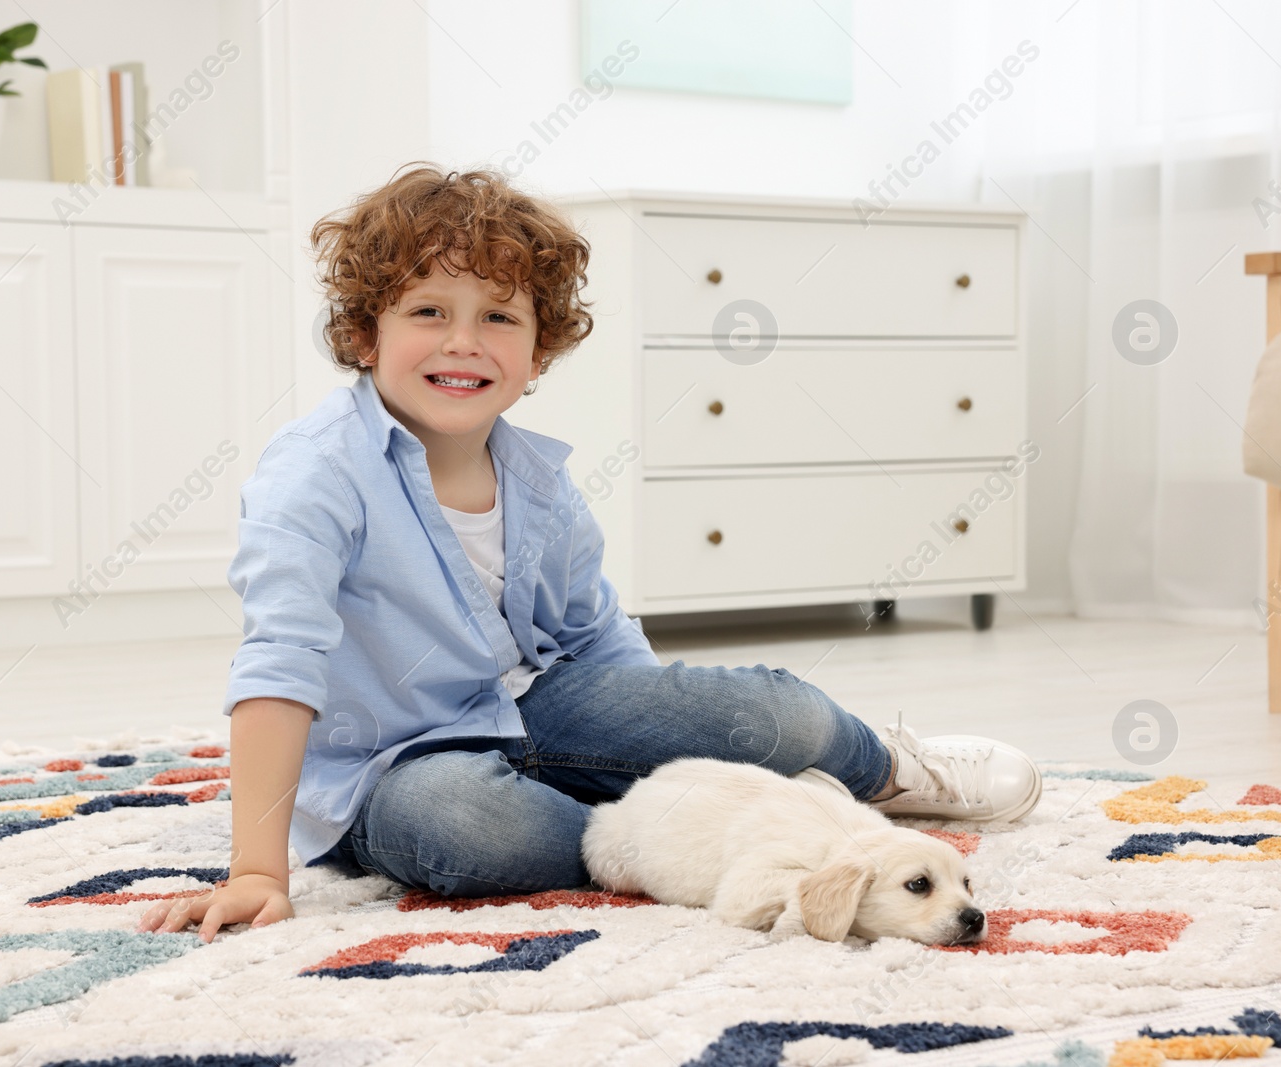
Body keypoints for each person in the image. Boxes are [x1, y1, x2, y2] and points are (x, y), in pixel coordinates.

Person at [137, 163, 1042, 944]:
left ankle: (882, 771)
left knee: (774, 713)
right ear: (367, 335)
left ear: (537, 352)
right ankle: (705, 839)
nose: (463, 340)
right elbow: (278, 664)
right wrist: (259, 869)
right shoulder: (316, 474)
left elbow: (602, 648)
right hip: (395, 768)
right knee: (466, 829)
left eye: (499, 317)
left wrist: (684, 744)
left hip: (540, 710)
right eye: (427, 311)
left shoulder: (537, 481)